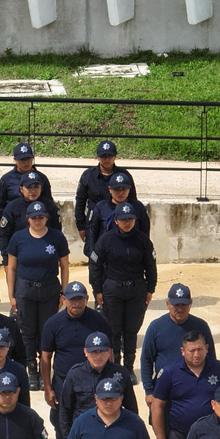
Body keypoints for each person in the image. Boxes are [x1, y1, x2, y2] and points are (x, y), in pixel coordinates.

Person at [140, 283, 216, 439]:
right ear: (167, 304)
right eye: (175, 305)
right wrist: (148, 391)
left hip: (194, 390)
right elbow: (146, 360)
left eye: (183, 305)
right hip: (164, 393)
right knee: (163, 432)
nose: (179, 309)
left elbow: (212, 359)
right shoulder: (156, 327)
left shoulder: (201, 326)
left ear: (190, 304)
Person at [40, 281, 113, 439]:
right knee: (64, 432)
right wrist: (47, 387)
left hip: (94, 384)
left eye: (80, 299)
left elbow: (110, 352)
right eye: (72, 299)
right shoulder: (53, 324)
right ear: (64, 300)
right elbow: (45, 358)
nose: (76, 303)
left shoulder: (98, 321)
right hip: (63, 385)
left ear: (86, 299)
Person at [88, 201, 157, 379]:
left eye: (130, 219)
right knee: (114, 330)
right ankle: (114, 366)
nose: (127, 223)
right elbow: (95, 265)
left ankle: (128, 368)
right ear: (116, 220)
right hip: (113, 290)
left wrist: (150, 289)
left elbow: (150, 265)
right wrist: (97, 290)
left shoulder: (142, 240)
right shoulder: (106, 239)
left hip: (136, 290)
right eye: (123, 219)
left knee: (131, 331)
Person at [6, 200, 70, 390]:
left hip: (49, 289)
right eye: (34, 217)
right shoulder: (18, 238)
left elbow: (64, 266)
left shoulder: (56, 237)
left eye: (41, 217)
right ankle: (31, 371)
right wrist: (12, 295)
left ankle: (44, 372)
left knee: (46, 332)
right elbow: (11, 268)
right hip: (25, 289)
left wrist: (64, 293)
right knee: (26, 331)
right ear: (28, 218)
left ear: (46, 217)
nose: (38, 220)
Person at [58, 332, 138, 439]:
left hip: (114, 435)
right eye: (94, 352)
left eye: (102, 351)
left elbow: (131, 409)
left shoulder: (121, 373)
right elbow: (65, 412)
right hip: (84, 437)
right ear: (85, 352)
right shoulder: (75, 375)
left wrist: (129, 437)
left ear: (109, 351)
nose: (98, 356)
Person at [74, 140, 137, 246]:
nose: (106, 159)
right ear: (98, 157)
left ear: (115, 157)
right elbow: (80, 202)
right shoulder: (88, 176)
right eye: (103, 156)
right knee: (94, 252)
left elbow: (133, 201)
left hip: (119, 222)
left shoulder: (124, 176)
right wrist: (81, 226)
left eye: (110, 156)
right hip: (95, 223)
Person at [0, 172, 62, 265]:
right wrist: (6, 260)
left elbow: (57, 232)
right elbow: (4, 234)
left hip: (45, 256)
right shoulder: (12, 207)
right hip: (20, 258)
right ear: (21, 189)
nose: (33, 191)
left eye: (36, 187)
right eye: (29, 187)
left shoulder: (50, 206)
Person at [84, 171, 150, 257]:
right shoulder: (101, 207)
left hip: (131, 254)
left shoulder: (137, 207)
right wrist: (93, 256)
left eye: (124, 189)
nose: (121, 193)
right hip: (106, 256)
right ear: (110, 189)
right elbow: (92, 233)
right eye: (117, 190)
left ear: (129, 189)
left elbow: (145, 232)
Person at [0, 142, 54, 228]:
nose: (26, 162)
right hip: (14, 224)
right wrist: (0, 228)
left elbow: (49, 204)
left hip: (38, 223)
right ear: (15, 160)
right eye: (22, 160)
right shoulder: (6, 180)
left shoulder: (42, 178)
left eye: (28, 159)